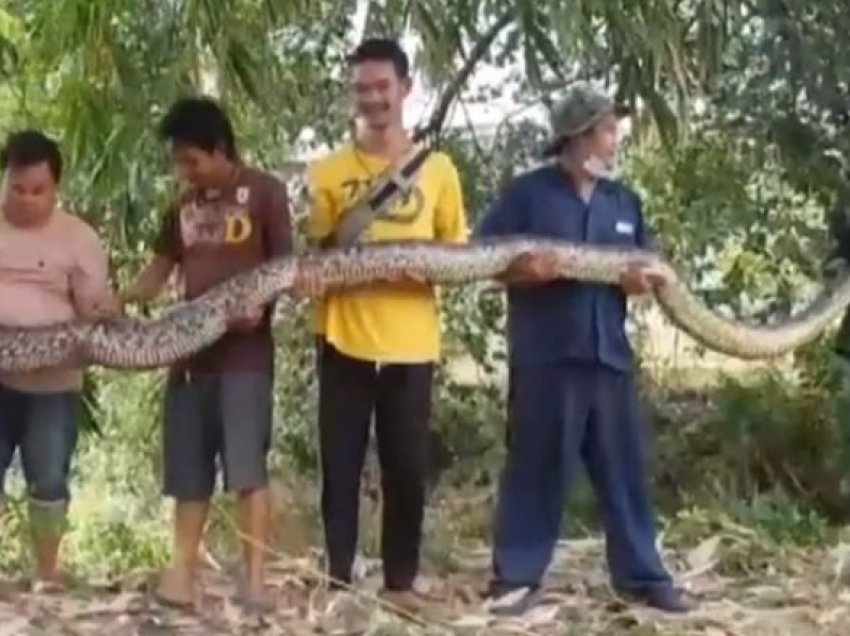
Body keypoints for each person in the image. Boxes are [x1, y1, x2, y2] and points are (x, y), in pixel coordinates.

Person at [475, 84, 692, 616]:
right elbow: (481, 258)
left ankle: (643, 577)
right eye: (607, 130)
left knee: (624, 471)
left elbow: (646, 269)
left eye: (614, 129)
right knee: (535, 469)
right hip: (546, 358)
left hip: (609, 356)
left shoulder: (626, 203)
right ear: (576, 138)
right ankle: (516, 579)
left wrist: (641, 283)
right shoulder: (527, 194)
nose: (615, 140)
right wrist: (520, 271)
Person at [295, 38, 468, 611]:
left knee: (406, 467)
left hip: (411, 343)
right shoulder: (325, 172)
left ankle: (401, 578)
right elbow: (315, 257)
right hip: (342, 337)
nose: (372, 99)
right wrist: (314, 276)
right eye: (361, 89)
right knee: (339, 466)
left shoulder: (438, 170)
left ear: (405, 89)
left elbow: (457, 257)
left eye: (381, 87)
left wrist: (419, 269)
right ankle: (338, 574)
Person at [119, 97, 293, 610]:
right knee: (188, 475)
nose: (184, 171)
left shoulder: (265, 192)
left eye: (191, 160)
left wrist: (259, 310)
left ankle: (256, 578)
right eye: (178, 162)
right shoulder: (181, 207)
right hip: (189, 360)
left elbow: (285, 268)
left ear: (220, 150)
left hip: (245, 359)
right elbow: (157, 273)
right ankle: (182, 576)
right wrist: (116, 301)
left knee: (247, 471)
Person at [0, 129, 118, 591]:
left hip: (53, 382)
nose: (27, 199)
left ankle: (46, 573)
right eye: (17, 188)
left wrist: (104, 309)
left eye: (38, 191)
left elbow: (92, 309)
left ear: (56, 188)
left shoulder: (79, 238)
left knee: (48, 477)